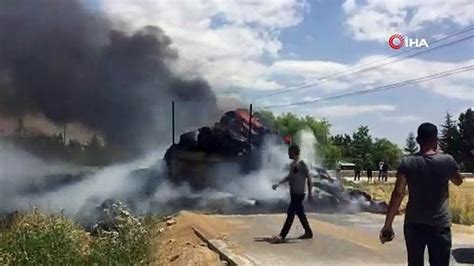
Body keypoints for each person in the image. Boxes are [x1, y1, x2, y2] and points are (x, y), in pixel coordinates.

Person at [380, 122, 464, 266]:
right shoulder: (446, 161)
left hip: (414, 224)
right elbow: (458, 181)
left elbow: (398, 194)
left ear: (418, 140)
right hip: (439, 225)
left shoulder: (408, 162)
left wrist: (388, 224)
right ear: (436, 140)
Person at [272, 144, 313, 242]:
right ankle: (308, 232)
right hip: (294, 193)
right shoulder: (292, 164)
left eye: (289, 152)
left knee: (290, 213)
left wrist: (310, 193)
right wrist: (279, 183)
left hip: (299, 193)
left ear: (294, 152)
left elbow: (309, 178)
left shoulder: (302, 163)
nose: (288, 154)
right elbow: (289, 177)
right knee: (300, 213)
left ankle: (282, 235)